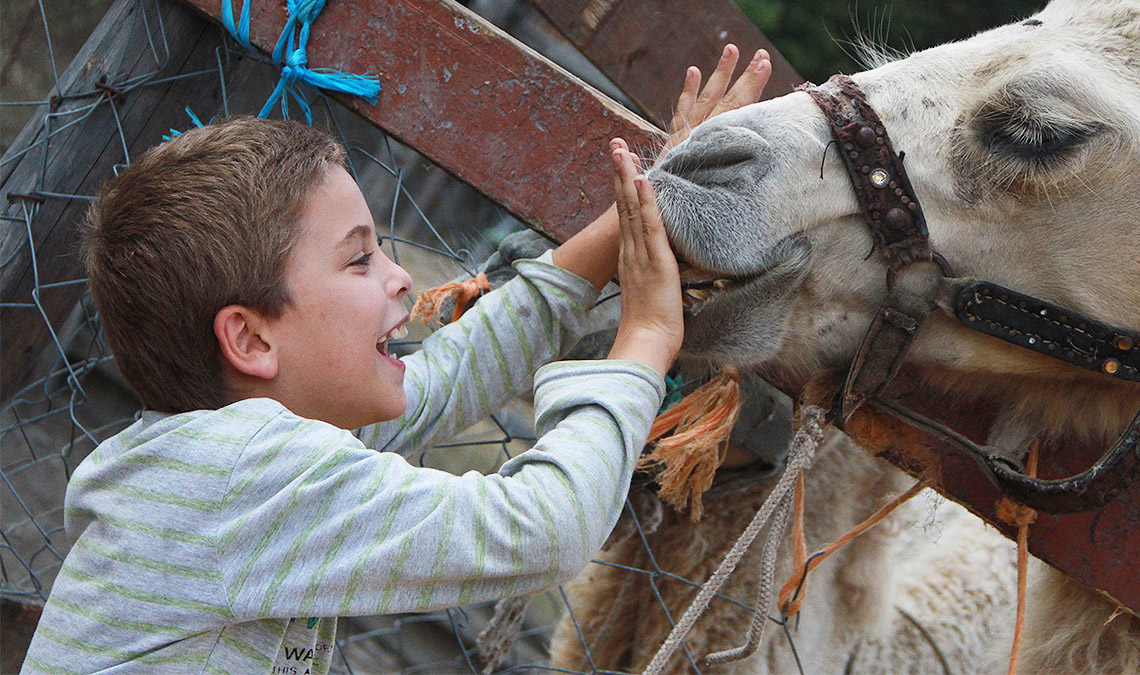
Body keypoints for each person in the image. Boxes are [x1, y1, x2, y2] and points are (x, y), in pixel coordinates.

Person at [20, 46, 771, 674]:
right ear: (250, 340)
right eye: (357, 261)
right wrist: (642, 342)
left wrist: (643, 204)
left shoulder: (220, 455)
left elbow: (445, 379)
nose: (401, 276)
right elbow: (538, 529)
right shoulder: (244, 472)